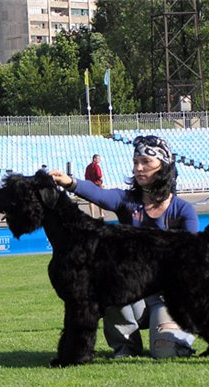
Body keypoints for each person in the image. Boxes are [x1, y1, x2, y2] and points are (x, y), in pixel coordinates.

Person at [49, 135, 197, 359]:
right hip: (132, 294)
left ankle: (177, 335)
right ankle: (126, 348)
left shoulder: (183, 210)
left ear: (164, 165)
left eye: (146, 162)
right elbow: (99, 194)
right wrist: (70, 182)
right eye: (136, 162)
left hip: (168, 296)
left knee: (166, 352)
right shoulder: (125, 200)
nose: (139, 168)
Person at [84, 154, 105, 219]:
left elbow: (85, 176)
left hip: (90, 184)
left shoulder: (88, 167)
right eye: (98, 158)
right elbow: (99, 176)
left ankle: (92, 215)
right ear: (94, 159)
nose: (99, 160)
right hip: (97, 184)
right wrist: (101, 181)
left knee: (90, 201)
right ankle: (101, 214)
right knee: (100, 199)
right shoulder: (96, 166)